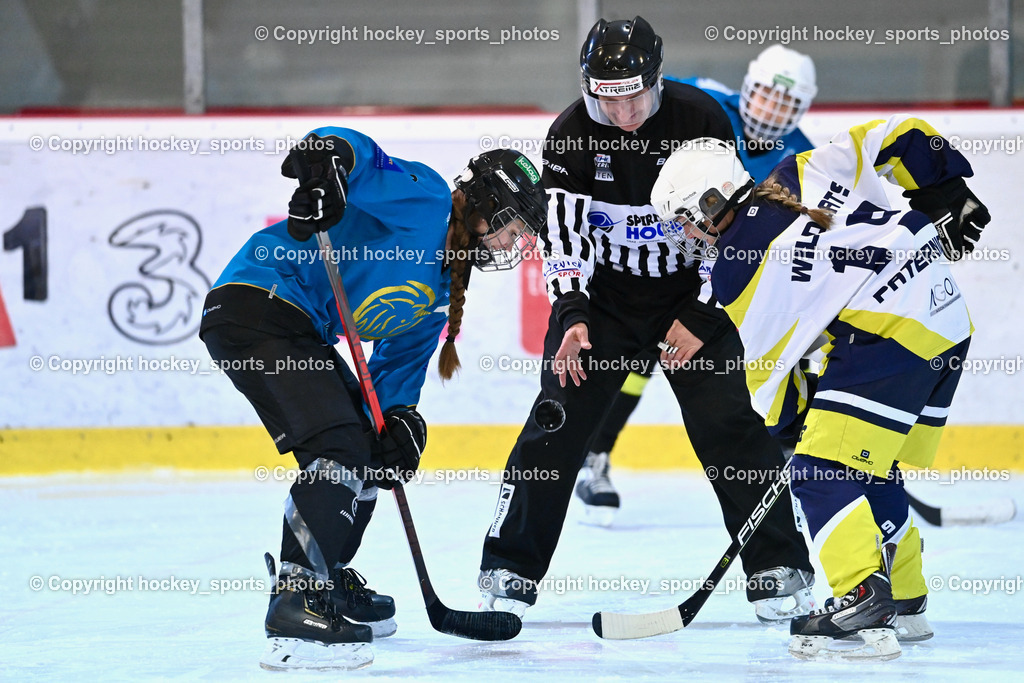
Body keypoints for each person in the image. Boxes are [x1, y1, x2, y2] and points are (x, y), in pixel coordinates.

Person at [477, 16, 815, 625]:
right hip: (603, 301)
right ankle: (510, 565)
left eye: (634, 93)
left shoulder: (700, 120)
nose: (625, 110)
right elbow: (562, 238)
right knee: (557, 419)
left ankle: (778, 563)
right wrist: (572, 314)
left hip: (687, 292)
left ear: (655, 81)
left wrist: (702, 312)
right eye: (609, 97)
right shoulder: (571, 134)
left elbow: (729, 228)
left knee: (730, 422)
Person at [200, 130, 546, 671]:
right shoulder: (429, 200)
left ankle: (326, 576)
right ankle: (297, 598)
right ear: (484, 204)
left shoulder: (436, 295)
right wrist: (328, 162)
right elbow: (361, 157)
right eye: (511, 225)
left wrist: (400, 423)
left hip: (295, 327)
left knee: (361, 445)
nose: (512, 243)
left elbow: (394, 378)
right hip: (260, 301)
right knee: (338, 449)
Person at [650, 116, 989, 660]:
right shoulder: (797, 173)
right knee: (866, 466)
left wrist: (792, 430)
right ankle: (906, 598)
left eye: (684, 223)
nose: (685, 236)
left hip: (891, 338)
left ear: (707, 207)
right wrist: (944, 184)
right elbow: (897, 133)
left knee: (820, 471)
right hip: (944, 318)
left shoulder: (737, 270)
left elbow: (769, 379)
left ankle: (861, 597)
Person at [577, 45, 819, 524]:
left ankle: (786, 456)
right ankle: (595, 457)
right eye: (766, 97)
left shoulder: (802, 153)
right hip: (668, 254)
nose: (771, 111)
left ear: (802, 110)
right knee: (642, 357)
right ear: (748, 89)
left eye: (785, 105)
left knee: (756, 366)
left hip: (731, 272)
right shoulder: (703, 102)